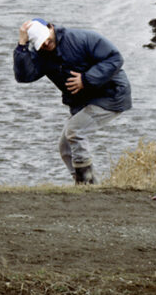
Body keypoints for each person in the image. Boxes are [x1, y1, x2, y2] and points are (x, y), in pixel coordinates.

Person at [13, 18, 132, 184]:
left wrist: (86, 79)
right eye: (41, 43)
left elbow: (115, 58)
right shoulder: (42, 54)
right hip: (85, 101)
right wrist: (21, 45)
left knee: (75, 132)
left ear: (50, 27)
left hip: (111, 94)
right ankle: (87, 184)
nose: (46, 44)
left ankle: (86, 183)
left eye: (46, 38)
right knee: (65, 146)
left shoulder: (81, 38)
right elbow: (24, 76)